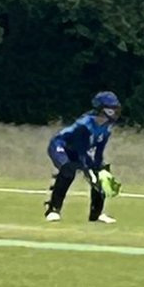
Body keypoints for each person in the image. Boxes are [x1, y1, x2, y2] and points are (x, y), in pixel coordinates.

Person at [44, 91, 121, 223]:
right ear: (101, 108)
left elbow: (98, 151)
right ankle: (53, 210)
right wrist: (88, 169)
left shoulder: (106, 127)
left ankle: (96, 214)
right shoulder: (85, 125)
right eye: (111, 108)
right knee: (68, 171)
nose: (114, 111)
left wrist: (99, 168)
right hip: (61, 146)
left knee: (100, 175)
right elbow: (81, 151)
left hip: (79, 151)